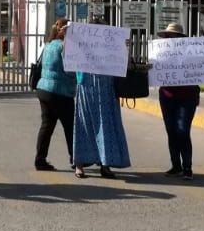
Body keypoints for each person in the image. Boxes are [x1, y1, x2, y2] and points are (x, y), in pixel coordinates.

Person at [72, 16, 131, 179]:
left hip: (106, 91)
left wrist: (124, 48)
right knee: (84, 126)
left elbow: (124, 65)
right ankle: (79, 165)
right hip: (86, 88)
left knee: (106, 127)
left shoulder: (111, 46)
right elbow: (67, 55)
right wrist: (67, 36)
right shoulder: (82, 45)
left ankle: (105, 165)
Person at [152, 22, 201, 180]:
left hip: (187, 97)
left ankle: (187, 167)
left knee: (182, 130)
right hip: (167, 96)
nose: (170, 39)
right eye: (168, 36)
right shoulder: (161, 52)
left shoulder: (192, 52)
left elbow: (203, 66)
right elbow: (154, 69)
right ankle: (176, 166)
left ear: (180, 38)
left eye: (173, 36)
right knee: (171, 131)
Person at [34, 18, 76, 171]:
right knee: (70, 127)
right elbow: (70, 71)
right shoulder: (64, 47)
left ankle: (40, 160)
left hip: (44, 90)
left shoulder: (49, 45)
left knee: (47, 126)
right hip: (61, 92)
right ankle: (75, 159)